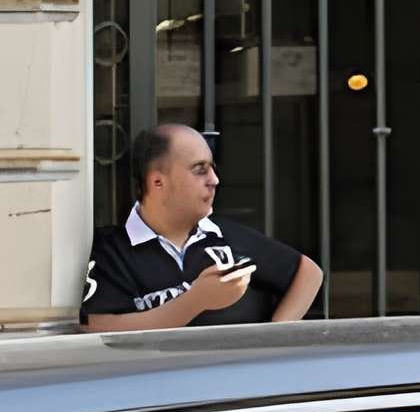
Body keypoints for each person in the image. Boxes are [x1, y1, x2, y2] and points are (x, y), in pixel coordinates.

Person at [83, 123, 325, 331]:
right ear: (157, 181)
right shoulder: (111, 251)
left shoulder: (224, 235)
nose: (214, 180)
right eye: (200, 170)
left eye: (212, 169)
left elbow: (308, 273)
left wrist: (274, 340)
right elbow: (95, 326)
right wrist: (195, 301)